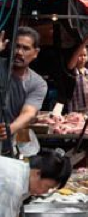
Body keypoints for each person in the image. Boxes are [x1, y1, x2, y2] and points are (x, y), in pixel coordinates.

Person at [0, 149, 72, 217]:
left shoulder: (23, 176)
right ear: (37, 173)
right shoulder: (14, 184)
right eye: (47, 187)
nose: (45, 192)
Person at [0, 27, 48, 155]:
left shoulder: (37, 83)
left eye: (26, 48)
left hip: (15, 137)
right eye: (16, 46)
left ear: (35, 53)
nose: (19, 52)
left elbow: (28, 113)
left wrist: (10, 129)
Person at [65, 32, 88, 114]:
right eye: (80, 55)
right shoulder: (72, 72)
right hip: (74, 114)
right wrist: (85, 42)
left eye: (84, 55)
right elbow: (71, 64)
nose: (82, 58)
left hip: (87, 113)